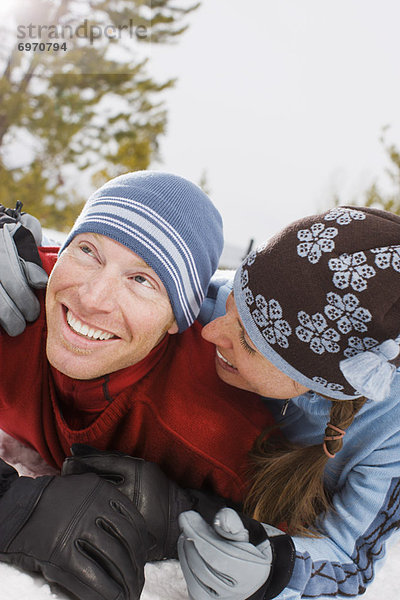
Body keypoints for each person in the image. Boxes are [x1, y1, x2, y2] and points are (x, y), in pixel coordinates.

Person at [0, 171, 279, 600]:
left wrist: (189, 515)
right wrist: (11, 505)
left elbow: (290, 526)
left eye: (142, 280)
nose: (93, 299)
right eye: (88, 251)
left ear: (177, 320)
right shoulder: (15, 307)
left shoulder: (217, 429)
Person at [174, 205, 400, 600]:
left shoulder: (391, 443)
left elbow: (348, 561)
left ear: (320, 383)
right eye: (233, 304)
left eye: (247, 341)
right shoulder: (239, 304)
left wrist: (275, 567)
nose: (211, 331)